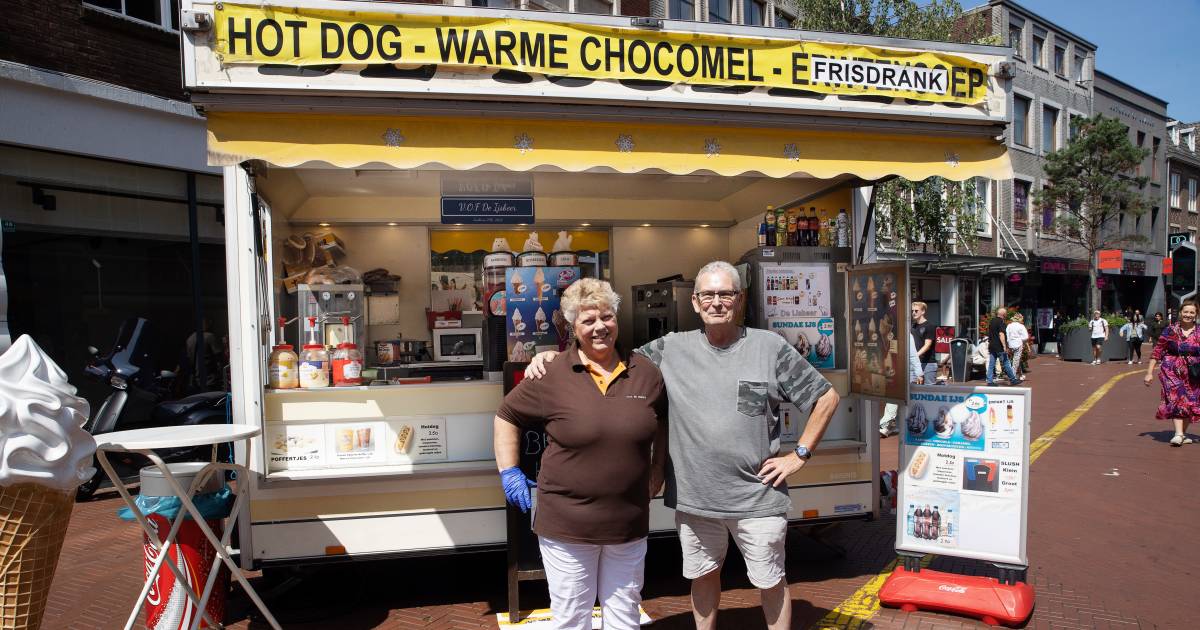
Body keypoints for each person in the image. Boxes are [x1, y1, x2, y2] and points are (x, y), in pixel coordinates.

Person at [525, 261, 840, 630]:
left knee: (771, 580)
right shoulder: (670, 349)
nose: (717, 302)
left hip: (758, 497)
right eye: (708, 294)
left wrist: (799, 455)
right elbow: (609, 355)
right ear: (695, 302)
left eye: (725, 294)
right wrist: (552, 357)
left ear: (738, 300)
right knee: (703, 578)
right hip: (695, 499)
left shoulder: (768, 347)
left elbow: (826, 397)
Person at [493, 278, 668, 630]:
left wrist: (658, 466)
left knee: (625, 616)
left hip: (628, 523)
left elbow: (661, 419)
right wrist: (508, 470)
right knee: (572, 619)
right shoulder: (551, 372)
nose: (600, 327)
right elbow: (507, 415)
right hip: (566, 526)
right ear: (573, 327)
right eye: (588, 321)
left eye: (606, 317)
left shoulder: (645, 371)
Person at [1144, 300, 1200, 447]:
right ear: (1180, 313)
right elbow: (1157, 351)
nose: (1188, 315)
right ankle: (1178, 433)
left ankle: (1182, 434)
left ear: (1196, 315)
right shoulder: (1170, 330)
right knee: (1176, 399)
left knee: (1190, 403)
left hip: (1194, 373)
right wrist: (1149, 373)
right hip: (1171, 370)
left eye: (1191, 312)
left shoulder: (1199, 331)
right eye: (1185, 312)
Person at [879, 332, 924, 437]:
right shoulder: (889, 334)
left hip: (905, 373)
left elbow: (912, 355)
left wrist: (919, 373)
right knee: (896, 399)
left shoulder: (906, 334)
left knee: (896, 400)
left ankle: (887, 425)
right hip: (894, 371)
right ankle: (892, 425)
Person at [986, 308, 1020, 386]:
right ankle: (1013, 379)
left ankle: (989, 381)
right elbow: (1001, 334)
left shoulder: (992, 321)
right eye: (1005, 314)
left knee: (991, 364)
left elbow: (990, 334)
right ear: (1003, 314)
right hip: (999, 346)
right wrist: (1004, 346)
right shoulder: (1001, 322)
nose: (1006, 315)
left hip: (992, 346)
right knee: (1006, 362)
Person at [910, 302, 937, 385]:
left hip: (928, 363)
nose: (913, 313)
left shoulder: (930, 326)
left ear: (923, 311)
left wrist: (914, 356)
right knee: (913, 390)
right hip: (915, 363)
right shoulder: (912, 327)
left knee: (929, 391)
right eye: (912, 311)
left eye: (916, 311)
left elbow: (927, 345)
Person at [1006, 313, 1029, 382]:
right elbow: (1026, 337)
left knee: (1015, 360)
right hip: (1018, 344)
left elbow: (1007, 335)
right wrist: (1020, 339)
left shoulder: (1009, 326)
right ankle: (1012, 377)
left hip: (1010, 345)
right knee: (1016, 361)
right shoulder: (1021, 326)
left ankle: (1020, 375)